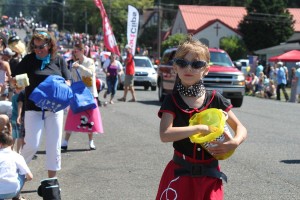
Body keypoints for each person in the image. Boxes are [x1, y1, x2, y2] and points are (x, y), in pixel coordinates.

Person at [156, 36, 247, 200]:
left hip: (210, 176)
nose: (188, 68)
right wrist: (199, 128)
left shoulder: (215, 98)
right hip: (180, 174)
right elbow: (165, 134)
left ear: (206, 69)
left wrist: (235, 142)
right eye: (182, 63)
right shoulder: (172, 100)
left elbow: (241, 128)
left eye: (196, 64)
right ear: (175, 67)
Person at [11, 31, 71, 197]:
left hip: (54, 109)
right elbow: (15, 78)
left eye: (41, 47)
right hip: (33, 108)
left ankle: (52, 185)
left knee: (54, 146)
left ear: (49, 45)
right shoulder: (29, 59)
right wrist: (17, 85)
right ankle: (15, 180)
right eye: (35, 47)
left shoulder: (58, 60)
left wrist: (62, 86)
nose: (38, 50)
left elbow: (68, 80)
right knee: (31, 144)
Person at [62, 40, 104, 151]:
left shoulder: (90, 61)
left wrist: (79, 67)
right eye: (74, 51)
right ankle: (65, 142)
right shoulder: (73, 63)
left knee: (90, 118)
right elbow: (74, 79)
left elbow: (90, 74)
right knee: (72, 116)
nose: (74, 53)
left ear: (82, 51)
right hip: (78, 94)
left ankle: (91, 141)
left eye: (76, 51)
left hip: (89, 93)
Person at [0, 114, 33, 200]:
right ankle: (16, 196)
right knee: (22, 173)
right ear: (12, 144)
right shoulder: (17, 156)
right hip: (12, 190)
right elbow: (30, 176)